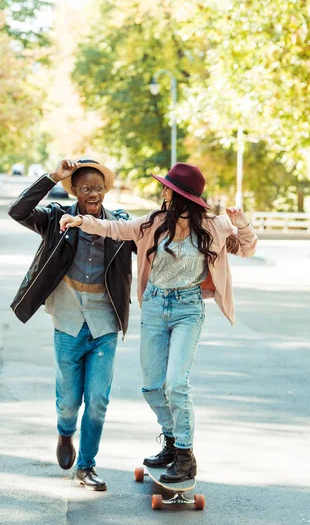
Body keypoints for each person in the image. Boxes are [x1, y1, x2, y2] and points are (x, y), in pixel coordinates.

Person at [60, 162, 258, 483]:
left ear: (179, 195)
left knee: (176, 385)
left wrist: (242, 223)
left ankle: (184, 453)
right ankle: (170, 438)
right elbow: (112, 229)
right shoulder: (152, 224)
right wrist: (80, 220)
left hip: (188, 308)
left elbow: (247, 248)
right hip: (154, 307)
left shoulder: (213, 226)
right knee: (152, 388)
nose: (162, 191)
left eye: (167, 188)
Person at [9, 158, 137, 491]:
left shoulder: (119, 225)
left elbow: (152, 239)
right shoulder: (55, 219)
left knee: (97, 399)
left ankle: (87, 466)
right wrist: (51, 177)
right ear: (74, 191)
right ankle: (66, 433)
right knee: (69, 402)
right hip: (68, 320)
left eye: (98, 188)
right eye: (85, 188)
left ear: (106, 189)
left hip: (105, 323)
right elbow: (18, 211)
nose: (92, 194)